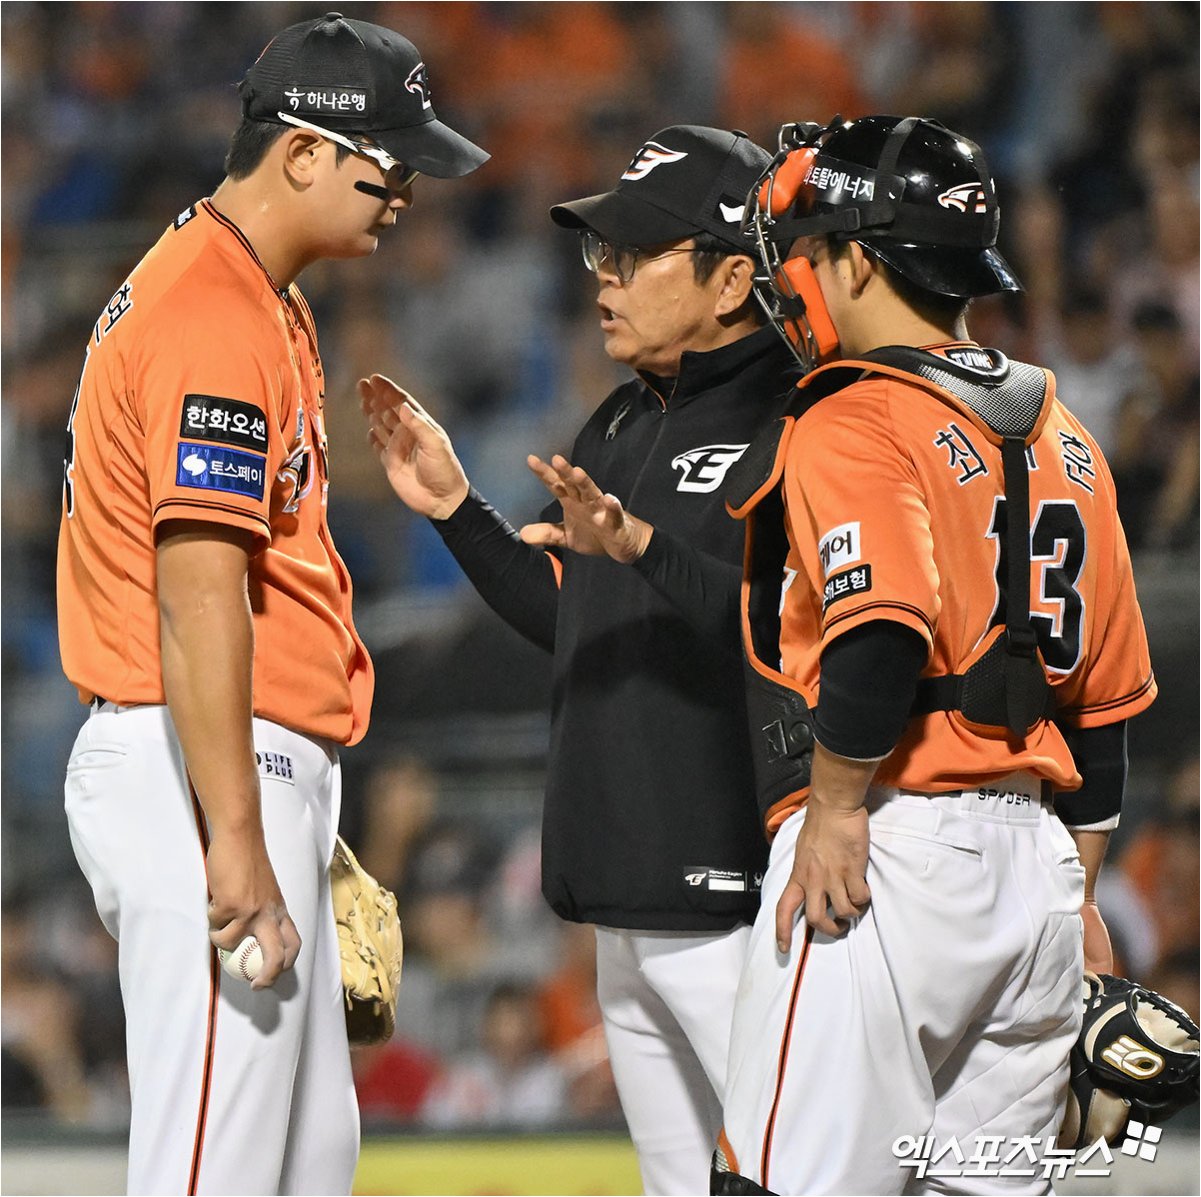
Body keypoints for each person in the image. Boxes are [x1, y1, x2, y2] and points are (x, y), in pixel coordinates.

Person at [56, 14, 486, 1193]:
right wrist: (238, 833)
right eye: (387, 165)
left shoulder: (255, 295)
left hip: (224, 759)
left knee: (302, 1162)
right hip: (193, 765)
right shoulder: (213, 311)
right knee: (218, 1167)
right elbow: (199, 594)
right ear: (301, 153)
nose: (406, 192)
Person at [712, 116, 1157, 1195]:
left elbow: (881, 628)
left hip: (891, 844)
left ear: (858, 260)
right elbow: (1104, 714)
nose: (797, 274)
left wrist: (833, 808)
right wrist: (1077, 898)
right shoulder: (1067, 435)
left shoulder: (853, 414)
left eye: (810, 249)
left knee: (775, 1184)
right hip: (1037, 873)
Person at [360, 125, 797, 1194]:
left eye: (636, 255)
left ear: (731, 277)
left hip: (733, 898)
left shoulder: (795, 416)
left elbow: (792, 630)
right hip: (620, 903)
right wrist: (458, 511)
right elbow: (581, 619)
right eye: (602, 252)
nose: (603, 278)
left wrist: (643, 550)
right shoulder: (621, 417)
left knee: (792, 1175)